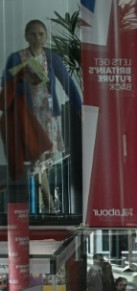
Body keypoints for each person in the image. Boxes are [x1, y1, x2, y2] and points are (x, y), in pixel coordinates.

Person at [3, 20, 82, 212]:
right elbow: (6, 85)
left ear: (45, 36)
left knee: (43, 161)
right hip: (27, 117)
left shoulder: (52, 58)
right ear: (26, 36)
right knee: (37, 160)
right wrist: (23, 77)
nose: (37, 38)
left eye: (40, 34)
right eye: (33, 34)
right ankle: (47, 202)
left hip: (48, 116)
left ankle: (42, 203)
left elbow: (68, 84)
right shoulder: (16, 58)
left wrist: (79, 108)